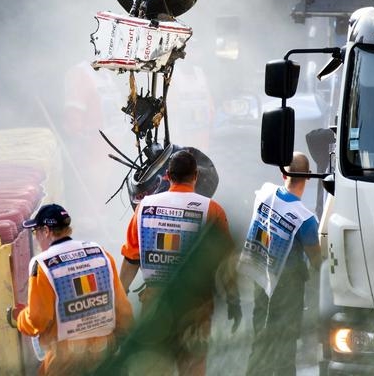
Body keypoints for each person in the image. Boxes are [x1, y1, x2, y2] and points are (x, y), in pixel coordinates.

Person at [119, 148, 241, 376]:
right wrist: (234, 301)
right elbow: (227, 264)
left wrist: (119, 299)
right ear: (196, 176)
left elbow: (130, 260)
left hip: (155, 307)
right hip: (196, 310)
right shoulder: (211, 209)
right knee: (192, 369)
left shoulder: (143, 207)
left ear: (167, 176)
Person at [6, 204, 133, 376]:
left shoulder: (42, 264)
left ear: (46, 231)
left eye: (36, 232)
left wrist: (20, 318)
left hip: (66, 362)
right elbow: (123, 309)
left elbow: (38, 319)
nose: (36, 239)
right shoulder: (100, 253)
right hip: (105, 355)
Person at [238, 152, 322, 376]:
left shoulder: (265, 193)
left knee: (260, 338)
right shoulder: (305, 219)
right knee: (286, 345)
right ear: (309, 176)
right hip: (288, 289)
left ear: (283, 173)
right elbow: (317, 261)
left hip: (260, 277)